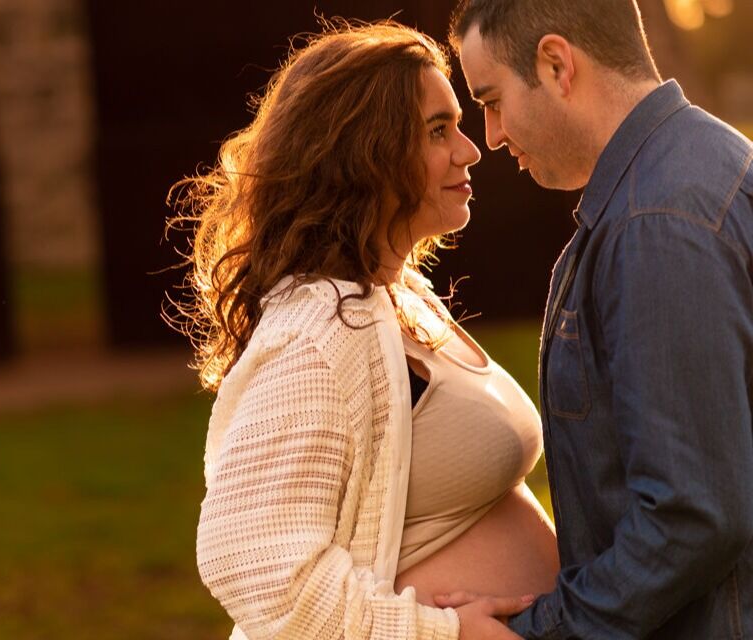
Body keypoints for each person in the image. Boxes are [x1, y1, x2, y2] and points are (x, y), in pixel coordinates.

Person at [167, 18, 561, 640]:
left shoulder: (392, 297)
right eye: (439, 131)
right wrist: (439, 632)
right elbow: (253, 564)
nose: (470, 150)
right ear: (366, 153)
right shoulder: (318, 331)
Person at [443, 1, 753, 638]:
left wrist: (540, 633)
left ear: (557, 64)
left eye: (493, 99)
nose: (492, 135)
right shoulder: (694, 168)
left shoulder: (657, 222)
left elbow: (691, 515)